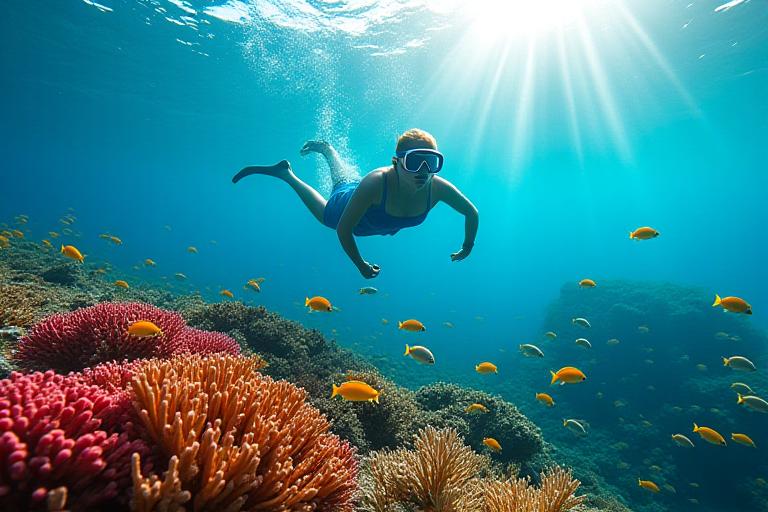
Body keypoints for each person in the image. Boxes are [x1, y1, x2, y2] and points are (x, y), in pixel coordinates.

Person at [232, 128, 478, 279]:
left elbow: (471, 212)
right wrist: (360, 265)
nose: (423, 171)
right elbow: (343, 229)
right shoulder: (375, 182)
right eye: (415, 162)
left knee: (346, 179)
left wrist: (467, 245)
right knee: (327, 212)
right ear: (396, 162)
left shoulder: (437, 188)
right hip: (347, 205)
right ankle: (287, 174)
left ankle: (328, 151)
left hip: (367, 202)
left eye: (431, 162)